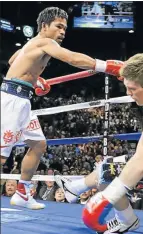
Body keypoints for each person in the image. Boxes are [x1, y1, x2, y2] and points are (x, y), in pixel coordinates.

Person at [55, 35, 143, 234]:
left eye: (132, 89)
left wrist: (105, 198)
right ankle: (75, 188)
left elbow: (141, 163)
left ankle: (127, 220)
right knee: (110, 162)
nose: (129, 94)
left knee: (107, 172)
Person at [0, 7, 123, 210]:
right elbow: (72, 58)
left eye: (65, 28)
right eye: (58, 26)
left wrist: (35, 79)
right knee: (2, 155)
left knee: (38, 145)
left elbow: (14, 60)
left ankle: (23, 192)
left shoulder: (32, 44)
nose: (63, 31)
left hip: (22, 99)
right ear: (44, 26)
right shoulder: (44, 42)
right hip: (11, 100)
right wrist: (106, 66)